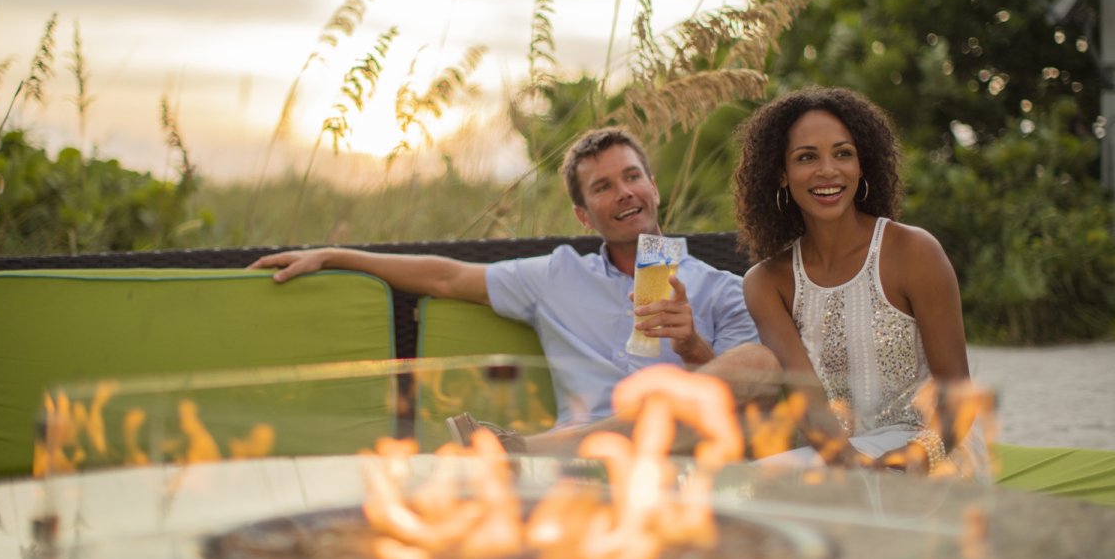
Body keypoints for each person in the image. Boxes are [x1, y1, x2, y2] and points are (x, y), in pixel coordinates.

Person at [249, 127, 777, 452]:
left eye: (632, 176)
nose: (624, 193)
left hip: (677, 453)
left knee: (754, 365)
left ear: (653, 188)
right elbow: (446, 276)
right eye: (602, 187)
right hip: (584, 467)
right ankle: (549, 450)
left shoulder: (721, 289)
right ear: (582, 214)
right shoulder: (555, 275)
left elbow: (744, 397)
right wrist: (333, 254)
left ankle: (522, 450)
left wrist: (691, 349)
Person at [734, 86, 987, 479]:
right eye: (806, 157)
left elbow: (958, 398)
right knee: (738, 490)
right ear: (781, 174)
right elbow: (811, 407)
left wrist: (910, 462)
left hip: (935, 453)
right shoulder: (767, 282)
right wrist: (854, 470)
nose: (828, 171)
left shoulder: (915, 252)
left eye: (843, 153)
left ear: (862, 164)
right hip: (836, 458)